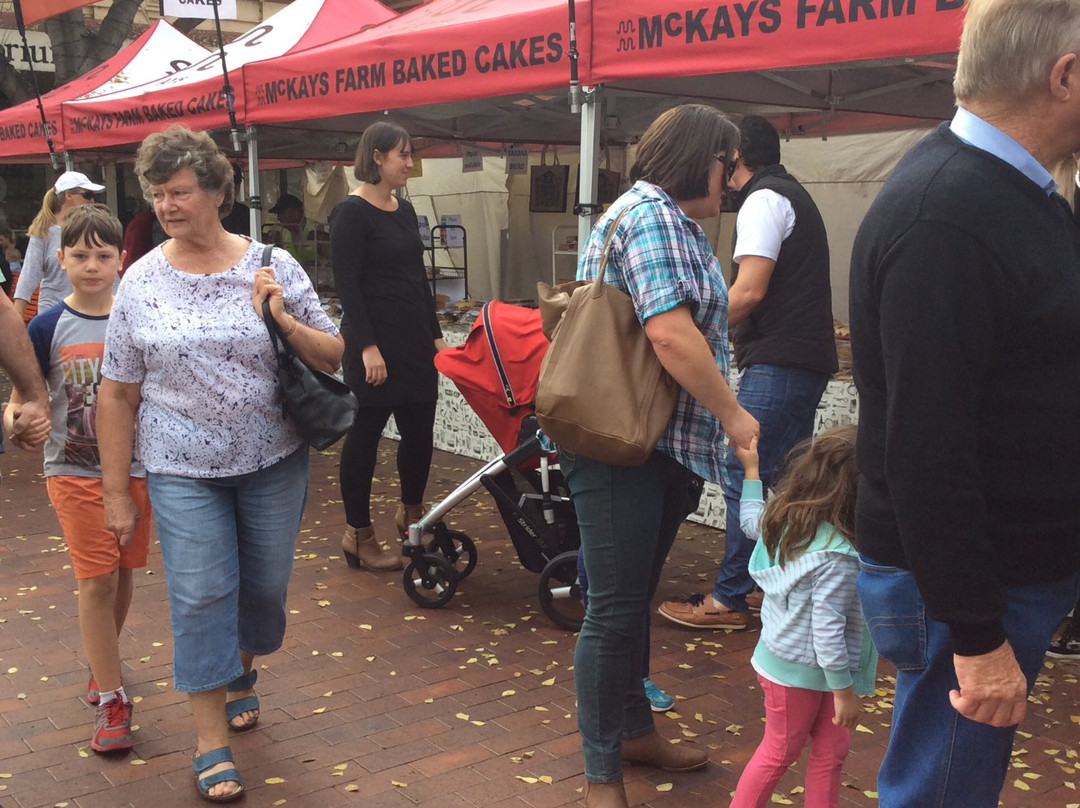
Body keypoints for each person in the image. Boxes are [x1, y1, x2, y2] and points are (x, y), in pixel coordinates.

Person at [848, 0, 1080, 804]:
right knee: (939, 792)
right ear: (1066, 76)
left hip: (993, 571)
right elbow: (925, 449)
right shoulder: (949, 214)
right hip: (973, 583)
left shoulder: (1011, 194)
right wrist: (977, 640)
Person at [97, 125, 343, 802]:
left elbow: (334, 353)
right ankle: (211, 742)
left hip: (273, 459)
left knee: (262, 594)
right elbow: (117, 393)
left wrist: (281, 316)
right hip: (179, 466)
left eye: (179, 191)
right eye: (157, 193)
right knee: (202, 593)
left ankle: (240, 668)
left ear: (218, 193)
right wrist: (118, 492)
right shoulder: (141, 280)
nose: (167, 205)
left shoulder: (273, 263)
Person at [564, 104, 759, 808]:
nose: (731, 179)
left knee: (628, 603)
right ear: (695, 160)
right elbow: (671, 336)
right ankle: (600, 775)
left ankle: (635, 734)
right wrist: (736, 418)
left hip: (651, 444)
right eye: (725, 162)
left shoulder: (657, 218)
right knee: (613, 610)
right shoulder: (651, 218)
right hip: (625, 447)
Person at [659, 115, 837, 631]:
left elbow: (749, 290)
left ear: (736, 159)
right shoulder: (789, 193)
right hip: (800, 358)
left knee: (747, 469)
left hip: (780, 357)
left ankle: (732, 597)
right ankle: (765, 585)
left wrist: (695, 332)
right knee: (778, 477)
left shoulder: (762, 199)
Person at [4, 204, 152, 754]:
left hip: (136, 471)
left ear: (122, 260)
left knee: (122, 573)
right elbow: (20, 397)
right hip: (73, 472)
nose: (92, 266)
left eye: (104, 255)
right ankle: (113, 699)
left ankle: (102, 662)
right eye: (80, 255)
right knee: (96, 581)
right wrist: (17, 421)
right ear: (60, 258)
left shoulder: (135, 319)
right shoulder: (44, 327)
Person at [730, 426, 876, 808]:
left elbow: (749, 521)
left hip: (801, 664)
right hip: (801, 672)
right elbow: (827, 630)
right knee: (780, 751)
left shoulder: (787, 520)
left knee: (833, 750)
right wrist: (844, 693)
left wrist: (751, 472)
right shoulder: (839, 558)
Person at [330, 121, 447, 572]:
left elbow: (419, 280)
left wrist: (437, 338)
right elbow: (349, 286)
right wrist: (367, 348)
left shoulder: (405, 210)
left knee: (419, 434)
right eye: (403, 155)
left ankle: (412, 514)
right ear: (376, 157)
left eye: (410, 154)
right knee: (365, 436)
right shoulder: (351, 213)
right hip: (373, 343)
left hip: (414, 340)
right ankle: (358, 533)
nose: (410, 163)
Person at [14, 171, 104, 321]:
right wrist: (17, 318)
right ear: (69, 195)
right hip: (52, 312)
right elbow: (28, 276)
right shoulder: (43, 232)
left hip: (87, 311)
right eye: (87, 195)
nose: (92, 200)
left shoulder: (93, 229)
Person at [0, 292, 50, 456]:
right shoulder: (45, 327)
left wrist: (35, 398)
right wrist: (35, 398)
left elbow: (3, 312)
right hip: (67, 471)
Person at [268, 192, 322, 265]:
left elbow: (329, 260)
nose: (279, 218)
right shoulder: (283, 233)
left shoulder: (317, 229)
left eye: (282, 213)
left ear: (295, 213)